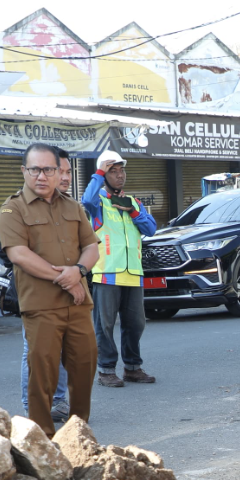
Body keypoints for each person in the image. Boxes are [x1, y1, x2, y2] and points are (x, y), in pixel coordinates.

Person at [0, 142, 99, 437]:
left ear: (59, 172)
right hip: (41, 306)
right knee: (42, 374)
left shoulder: (73, 206)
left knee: (84, 367)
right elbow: (18, 254)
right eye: (35, 169)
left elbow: (91, 246)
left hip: (78, 304)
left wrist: (78, 271)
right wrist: (66, 279)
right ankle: (43, 437)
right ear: (24, 171)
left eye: (48, 169)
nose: (41, 176)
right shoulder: (12, 208)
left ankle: (78, 432)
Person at [82, 149, 158, 388]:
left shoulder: (133, 202)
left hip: (133, 274)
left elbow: (151, 229)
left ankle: (133, 368)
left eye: (121, 170)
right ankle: (106, 370)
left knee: (135, 324)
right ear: (105, 175)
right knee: (104, 326)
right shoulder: (99, 203)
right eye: (113, 171)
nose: (119, 175)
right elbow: (85, 200)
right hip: (107, 273)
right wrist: (98, 172)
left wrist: (134, 212)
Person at [19, 152, 72, 423]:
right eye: (57, 171)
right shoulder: (21, 207)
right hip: (39, 295)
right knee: (37, 350)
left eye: (67, 172)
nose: (63, 177)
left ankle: (59, 400)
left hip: (67, 294)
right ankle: (34, 405)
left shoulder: (69, 207)